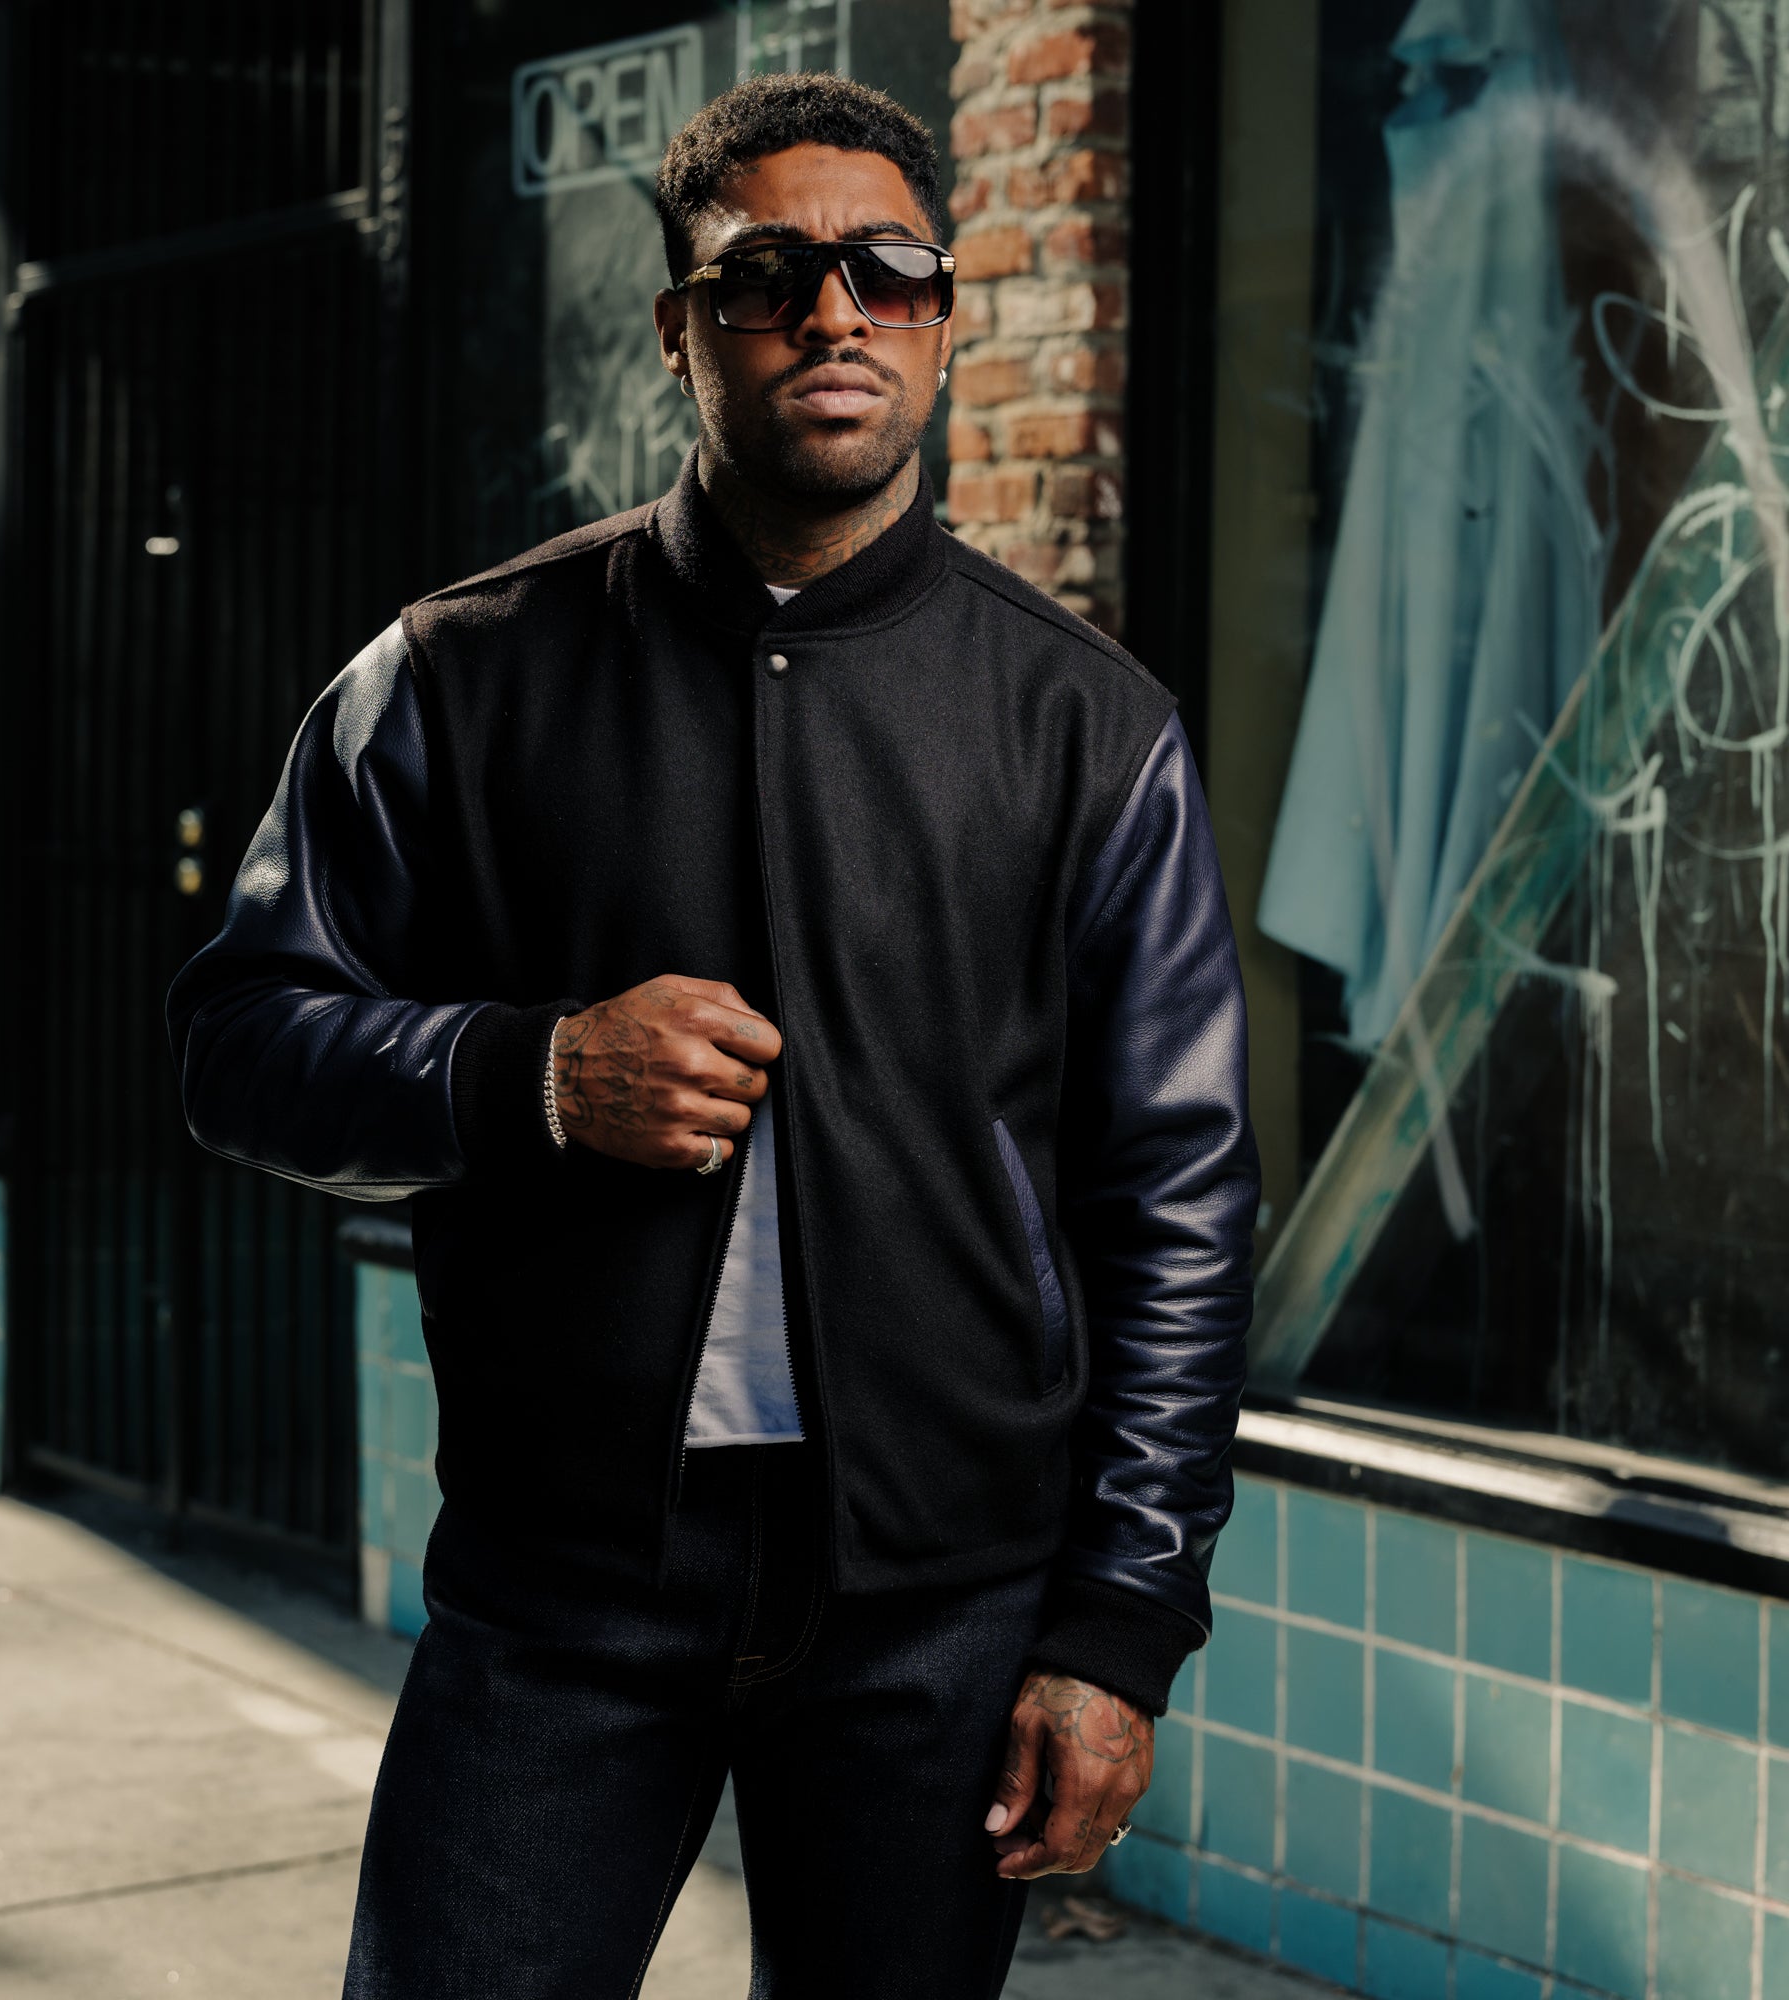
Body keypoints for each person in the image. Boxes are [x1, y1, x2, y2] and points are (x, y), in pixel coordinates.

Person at [167, 71, 1257, 2000]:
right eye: (769, 275)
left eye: (886, 271)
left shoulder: (1087, 728)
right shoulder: (455, 674)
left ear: (942, 317)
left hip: (939, 1605)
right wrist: (527, 1073)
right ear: (683, 327)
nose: (832, 313)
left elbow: (1174, 1200)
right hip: (565, 1587)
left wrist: (1119, 1621)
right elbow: (240, 1043)